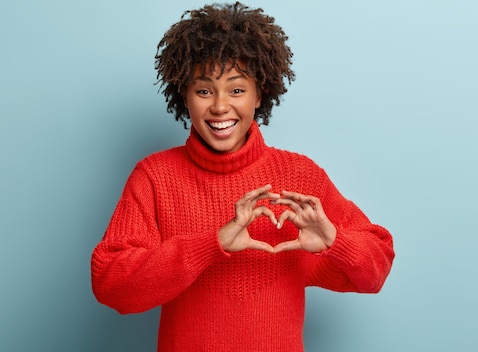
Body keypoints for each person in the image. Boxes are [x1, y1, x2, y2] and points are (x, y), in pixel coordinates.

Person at [91, 2, 394, 351]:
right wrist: (211, 245)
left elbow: (375, 272)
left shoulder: (300, 176)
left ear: (259, 94)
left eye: (237, 90)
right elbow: (111, 284)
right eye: (204, 90)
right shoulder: (155, 177)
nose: (220, 107)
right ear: (184, 96)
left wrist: (335, 241)